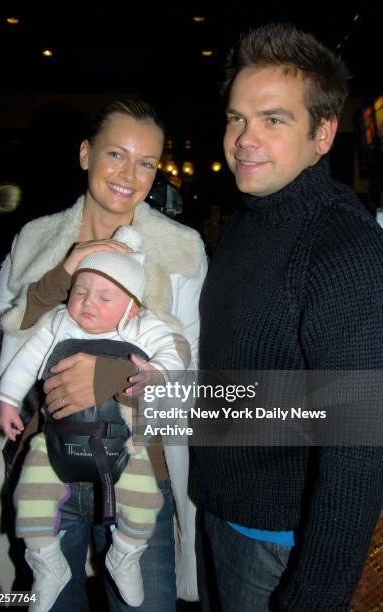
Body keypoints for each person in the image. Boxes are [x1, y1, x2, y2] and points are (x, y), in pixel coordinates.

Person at [0, 98, 207, 612]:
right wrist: (57, 280)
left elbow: (190, 386)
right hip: (47, 469)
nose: (130, 175)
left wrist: (110, 377)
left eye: (147, 162)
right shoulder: (35, 240)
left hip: (140, 471)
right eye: (116, 155)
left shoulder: (181, 250)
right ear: (86, 154)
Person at [192, 22, 383, 611]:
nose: (244, 138)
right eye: (236, 118)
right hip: (218, 512)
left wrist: (317, 594)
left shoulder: (341, 246)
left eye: (274, 120)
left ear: (322, 134)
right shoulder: (245, 223)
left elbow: (360, 436)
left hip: (283, 546)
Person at [0, 226, 191, 611]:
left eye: (104, 296)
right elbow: (25, 363)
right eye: (80, 292)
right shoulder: (56, 323)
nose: (87, 303)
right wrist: (7, 400)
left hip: (124, 446)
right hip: (53, 443)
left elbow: (174, 354)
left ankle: (126, 554)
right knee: (30, 498)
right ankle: (46, 561)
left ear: (132, 306)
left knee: (143, 500)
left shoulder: (144, 326)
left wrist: (154, 374)